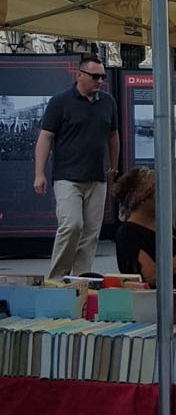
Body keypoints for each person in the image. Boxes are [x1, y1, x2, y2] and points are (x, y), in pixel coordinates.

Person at [34, 55, 120, 278]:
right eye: (95, 76)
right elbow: (45, 138)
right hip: (67, 177)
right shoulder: (60, 102)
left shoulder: (108, 102)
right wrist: (39, 173)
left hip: (97, 178)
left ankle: (81, 281)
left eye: (102, 76)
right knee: (72, 226)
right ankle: (56, 279)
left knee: (91, 234)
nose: (100, 81)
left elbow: (113, 137)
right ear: (79, 75)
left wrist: (113, 168)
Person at [113, 168, 176, 286]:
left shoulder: (162, 225)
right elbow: (153, 276)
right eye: (155, 191)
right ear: (142, 199)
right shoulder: (129, 233)